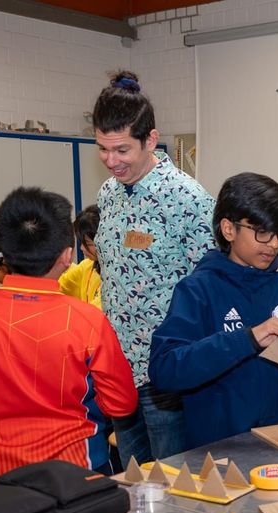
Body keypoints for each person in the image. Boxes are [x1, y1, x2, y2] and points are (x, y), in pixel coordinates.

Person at [0, 188, 137, 482]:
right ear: (67, 255)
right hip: (79, 472)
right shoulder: (87, 319)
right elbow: (120, 402)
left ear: (4, 254)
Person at [148, 172, 278, 447]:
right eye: (262, 232)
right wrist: (247, 339)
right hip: (216, 450)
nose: (273, 243)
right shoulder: (197, 290)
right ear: (228, 229)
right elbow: (165, 370)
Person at [92, 70, 215, 464]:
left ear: (151, 140)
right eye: (102, 149)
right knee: (133, 481)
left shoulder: (187, 197)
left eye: (122, 150)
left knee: (174, 481)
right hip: (117, 368)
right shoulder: (108, 194)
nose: (111, 161)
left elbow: (210, 283)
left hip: (166, 374)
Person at [60, 204, 103, 308]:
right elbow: (60, 286)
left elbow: (96, 312)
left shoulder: (119, 277)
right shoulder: (87, 266)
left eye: (88, 244)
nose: (82, 248)